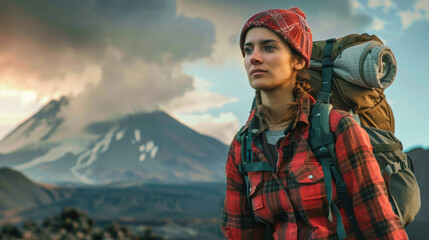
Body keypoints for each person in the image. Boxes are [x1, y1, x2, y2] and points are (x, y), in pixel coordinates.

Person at [220, 7, 407, 239]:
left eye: (268, 47)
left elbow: (380, 225)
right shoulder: (242, 147)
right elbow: (239, 233)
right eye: (248, 50)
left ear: (298, 60)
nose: (254, 57)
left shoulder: (337, 128)